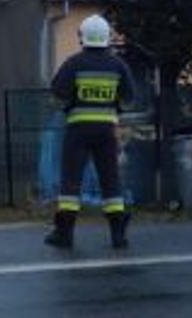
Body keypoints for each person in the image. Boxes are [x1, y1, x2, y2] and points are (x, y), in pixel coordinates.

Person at [45, 14, 139, 250]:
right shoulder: (118, 65)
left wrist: (68, 105)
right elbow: (129, 99)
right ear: (107, 37)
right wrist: (114, 108)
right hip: (107, 130)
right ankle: (118, 235)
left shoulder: (74, 63)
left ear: (82, 37)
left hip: (77, 129)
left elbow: (57, 95)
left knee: (71, 181)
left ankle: (64, 234)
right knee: (111, 180)